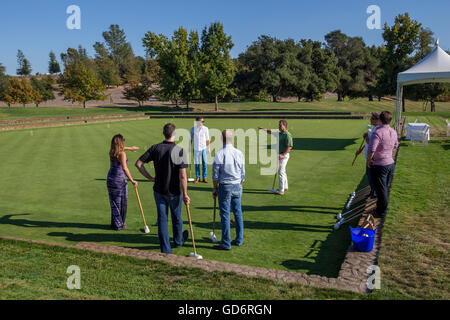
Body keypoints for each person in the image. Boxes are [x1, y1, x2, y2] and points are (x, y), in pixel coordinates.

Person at [135, 123, 190, 254]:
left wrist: (150, 177)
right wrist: (186, 193)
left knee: (163, 219)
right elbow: (183, 176)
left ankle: (166, 249)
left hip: (159, 190)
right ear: (174, 134)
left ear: (164, 133)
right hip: (175, 191)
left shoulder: (155, 148)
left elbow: (138, 164)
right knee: (176, 217)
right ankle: (178, 241)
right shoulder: (179, 150)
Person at [212, 130, 245, 250]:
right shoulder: (239, 153)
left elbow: (215, 175)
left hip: (225, 186)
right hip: (237, 185)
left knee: (225, 214)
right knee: (238, 212)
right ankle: (239, 239)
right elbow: (243, 172)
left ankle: (226, 243)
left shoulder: (219, 154)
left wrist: (215, 188)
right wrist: (241, 184)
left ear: (222, 139)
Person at [367, 111, 398, 218]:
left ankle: (381, 212)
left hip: (379, 165)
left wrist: (368, 161)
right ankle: (380, 208)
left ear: (380, 120)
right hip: (390, 163)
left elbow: (371, 149)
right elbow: (395, 145)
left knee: (381, 190)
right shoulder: (393, 131)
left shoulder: (378, 133)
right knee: (384, 188)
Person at [107, 134, 139, 231]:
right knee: (121, 202)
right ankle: (119, 224)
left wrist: (130, 148)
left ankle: (114, 223)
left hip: (110, 179)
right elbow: (125, 168)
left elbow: (121, 148)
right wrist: (132, 180)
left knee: (114, 203)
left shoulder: (112, 151)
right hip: (119, 181)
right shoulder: (122, 154)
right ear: (121, 143)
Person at [258, 120, 293, 195]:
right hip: (280, 154)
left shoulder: (287, 135)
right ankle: (285, 186)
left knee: (281, 171)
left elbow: (289, 146)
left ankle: (281, 190)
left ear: (284, 126)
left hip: (284, 155)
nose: (279, 126)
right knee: (283, 171)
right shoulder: (279, 133)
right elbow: (270, 132)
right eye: (278, 125)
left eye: (280, 125)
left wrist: (283, 154)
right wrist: (263, 129)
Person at [355, 112, 381, 198]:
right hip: (369, 156)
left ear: (378, 120)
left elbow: (372, 144)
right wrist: (361, 150)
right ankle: (373, 191)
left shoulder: (377, 130)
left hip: (372, 158)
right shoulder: (374, 128)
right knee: (369, 175)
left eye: (372, 118)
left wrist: (365, 138)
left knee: (371, 176)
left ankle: (374, 193)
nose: (370, 120)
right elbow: (367, 143)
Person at [190, 117, 210, 183]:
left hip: (203, 148)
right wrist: (189, 147)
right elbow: (191, 139)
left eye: (203, 121)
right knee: (197, 164)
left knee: (204, 164)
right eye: (201, 121)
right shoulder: (193, 129)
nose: (202, 123)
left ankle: (204, 178)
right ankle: (197, 177)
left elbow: (207, 139)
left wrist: (208, 148)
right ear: (197, 122)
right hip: (196, 149)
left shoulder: (206, 129)